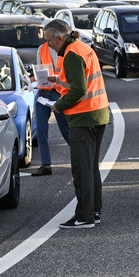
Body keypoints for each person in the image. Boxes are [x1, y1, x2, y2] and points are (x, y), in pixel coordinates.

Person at [44, 19, 110, 229]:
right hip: (98, 113)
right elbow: (82, 81)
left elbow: (79, 90)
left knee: (82, 170)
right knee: (91, 169)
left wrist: (58, 105)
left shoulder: (71, 54)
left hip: (83, 117)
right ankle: (94, 211)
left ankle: (84, 217)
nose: (49, 46)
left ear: (59, 38)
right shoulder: (83, 47)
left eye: (49, 41)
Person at [33, 39, 70, 177]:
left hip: (58, 92)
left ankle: (80, 159)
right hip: (43, 92)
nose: (47, 40)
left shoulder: (64, 49)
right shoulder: (41, 49)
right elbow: (40, 70)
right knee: (41, 129)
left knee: (65, 129)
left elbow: (67, 73)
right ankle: (45, 165)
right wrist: (34, 80)